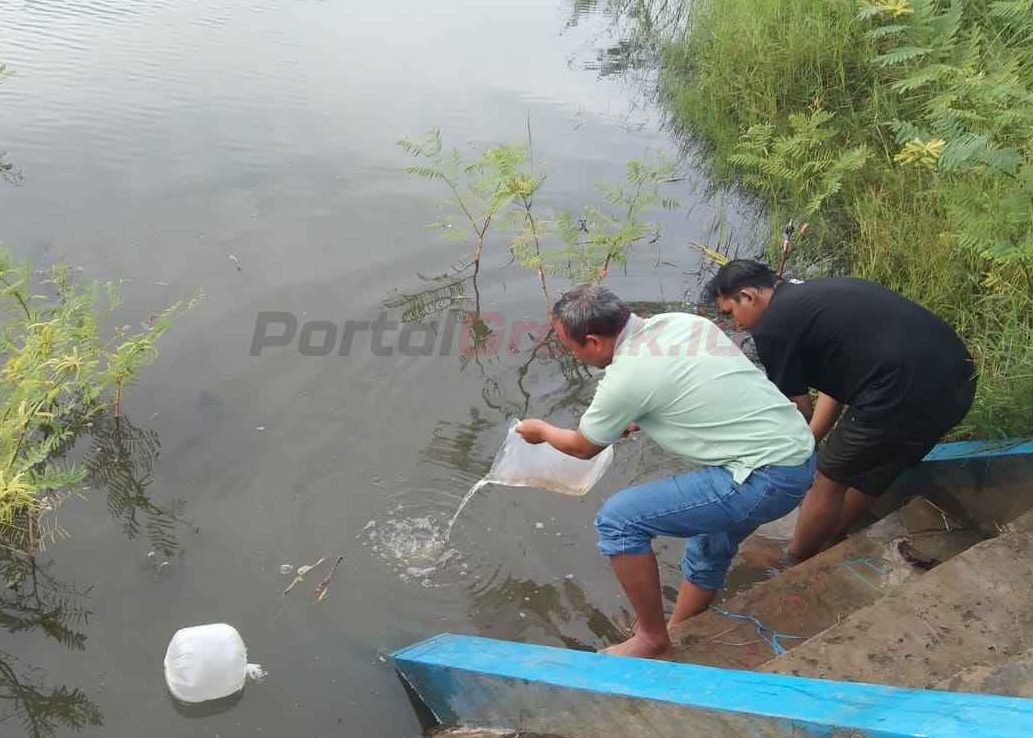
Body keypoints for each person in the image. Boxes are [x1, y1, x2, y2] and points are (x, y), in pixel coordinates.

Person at [516, 284, 815, 659]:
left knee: (618, 520)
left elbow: (583, 446)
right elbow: (704, 385)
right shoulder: (683, 323)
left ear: (593, 341)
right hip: (799, 452)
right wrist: (642, 415)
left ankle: (651, 638)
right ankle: (681, 626)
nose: (573, 355)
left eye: (571, 347)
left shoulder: (626, 376)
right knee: (709, 543)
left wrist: (541, 432)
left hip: (763, 477)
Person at [708, 260, 976, 563]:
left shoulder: (773, 327)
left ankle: (793, 560)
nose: (735, 325)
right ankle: (829, 538)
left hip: (900, 389)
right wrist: (810, 442)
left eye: (730, 313)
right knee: (874, 470)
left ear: (748, 296)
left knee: (827, 478)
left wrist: (777, 461)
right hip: (958, 382)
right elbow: (833, 388)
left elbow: (796, 413)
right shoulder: (810, 296)